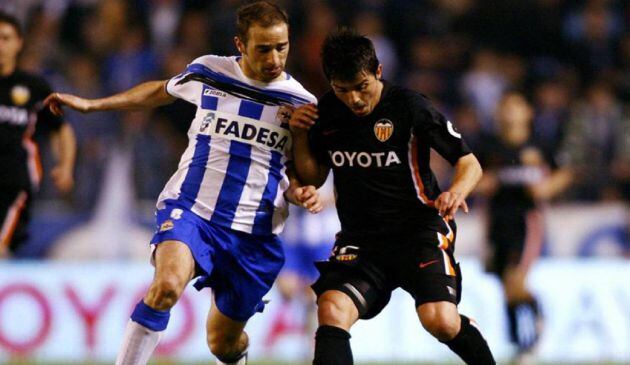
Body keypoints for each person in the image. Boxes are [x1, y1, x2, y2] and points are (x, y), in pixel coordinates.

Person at [45, 2, 322, 365]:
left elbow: (305, 174)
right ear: (240, 44)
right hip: (191, 208)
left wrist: (301, 190)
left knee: (223, 343)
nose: (274, 58)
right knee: (166, 287)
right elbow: (159, 91)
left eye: (281, 47)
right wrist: (94, 105)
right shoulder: (210, 72)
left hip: (252, 230)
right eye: (263, 48)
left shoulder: (301, 102)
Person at [289, 29, 496, 365]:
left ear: (378, 72)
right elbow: (314, 175)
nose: (354, 99)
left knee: (440, 321)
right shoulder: (325, 113)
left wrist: (455, 192)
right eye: (342, 90)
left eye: (361, 87)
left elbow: (468, 162)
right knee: (331, 309)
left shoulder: (410, 107)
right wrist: (300, 136)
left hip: (419, 231)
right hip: (362, 239)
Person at [476, 91, 572, 363]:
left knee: (515, 280)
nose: (509, 112)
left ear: (527, 112)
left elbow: (564, 172)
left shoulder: (539, 145)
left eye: (515, 107)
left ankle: (536, 325)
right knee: (504, 283)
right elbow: (473, 177)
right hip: (496, 222)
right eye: (504, 107)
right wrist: (485, 184)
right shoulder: (489, 147)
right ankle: (519, 344)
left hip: (526, 222)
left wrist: (546, 188)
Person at [0, 11, 76, 258]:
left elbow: (61, 130)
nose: (0, 45)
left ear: (19, 43)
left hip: (14, 183)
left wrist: (65, 165)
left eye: (5, 38)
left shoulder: (33, 87)